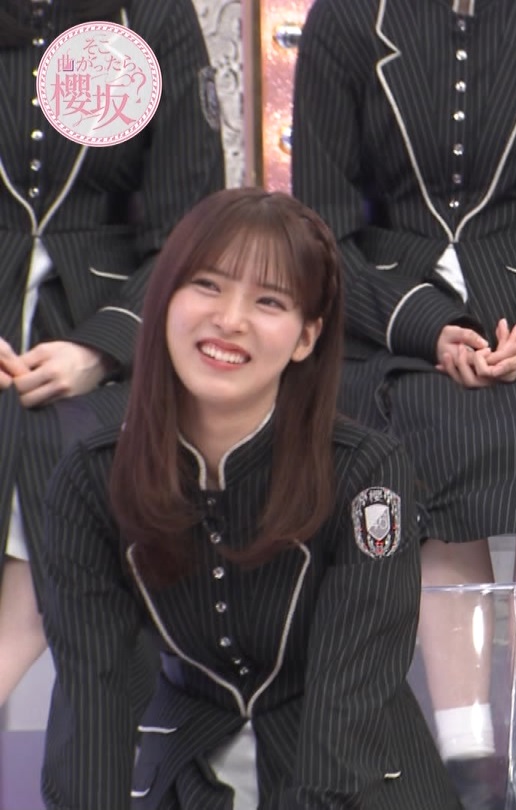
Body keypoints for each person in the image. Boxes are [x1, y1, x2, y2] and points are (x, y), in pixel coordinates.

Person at [289, 0, 516, 783]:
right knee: (410, 449)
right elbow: (321, 225)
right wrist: (423, 326)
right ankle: (466, 762)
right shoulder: (345, 20)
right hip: (386, 318)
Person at [31, 188, 458, 809]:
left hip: (356, 783)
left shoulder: (368, 473)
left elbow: (354, 692)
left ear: (306, 336)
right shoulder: (90, 478)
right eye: (207, 285)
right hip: (183, 769)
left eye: (269, 301)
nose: (230, 319)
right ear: (164, 300)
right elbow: (91, 695)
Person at [0, 0, 224, 706]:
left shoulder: (153, 17)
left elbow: (190, 233)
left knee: (63, 447)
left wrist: (102, 349)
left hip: (110, 325)